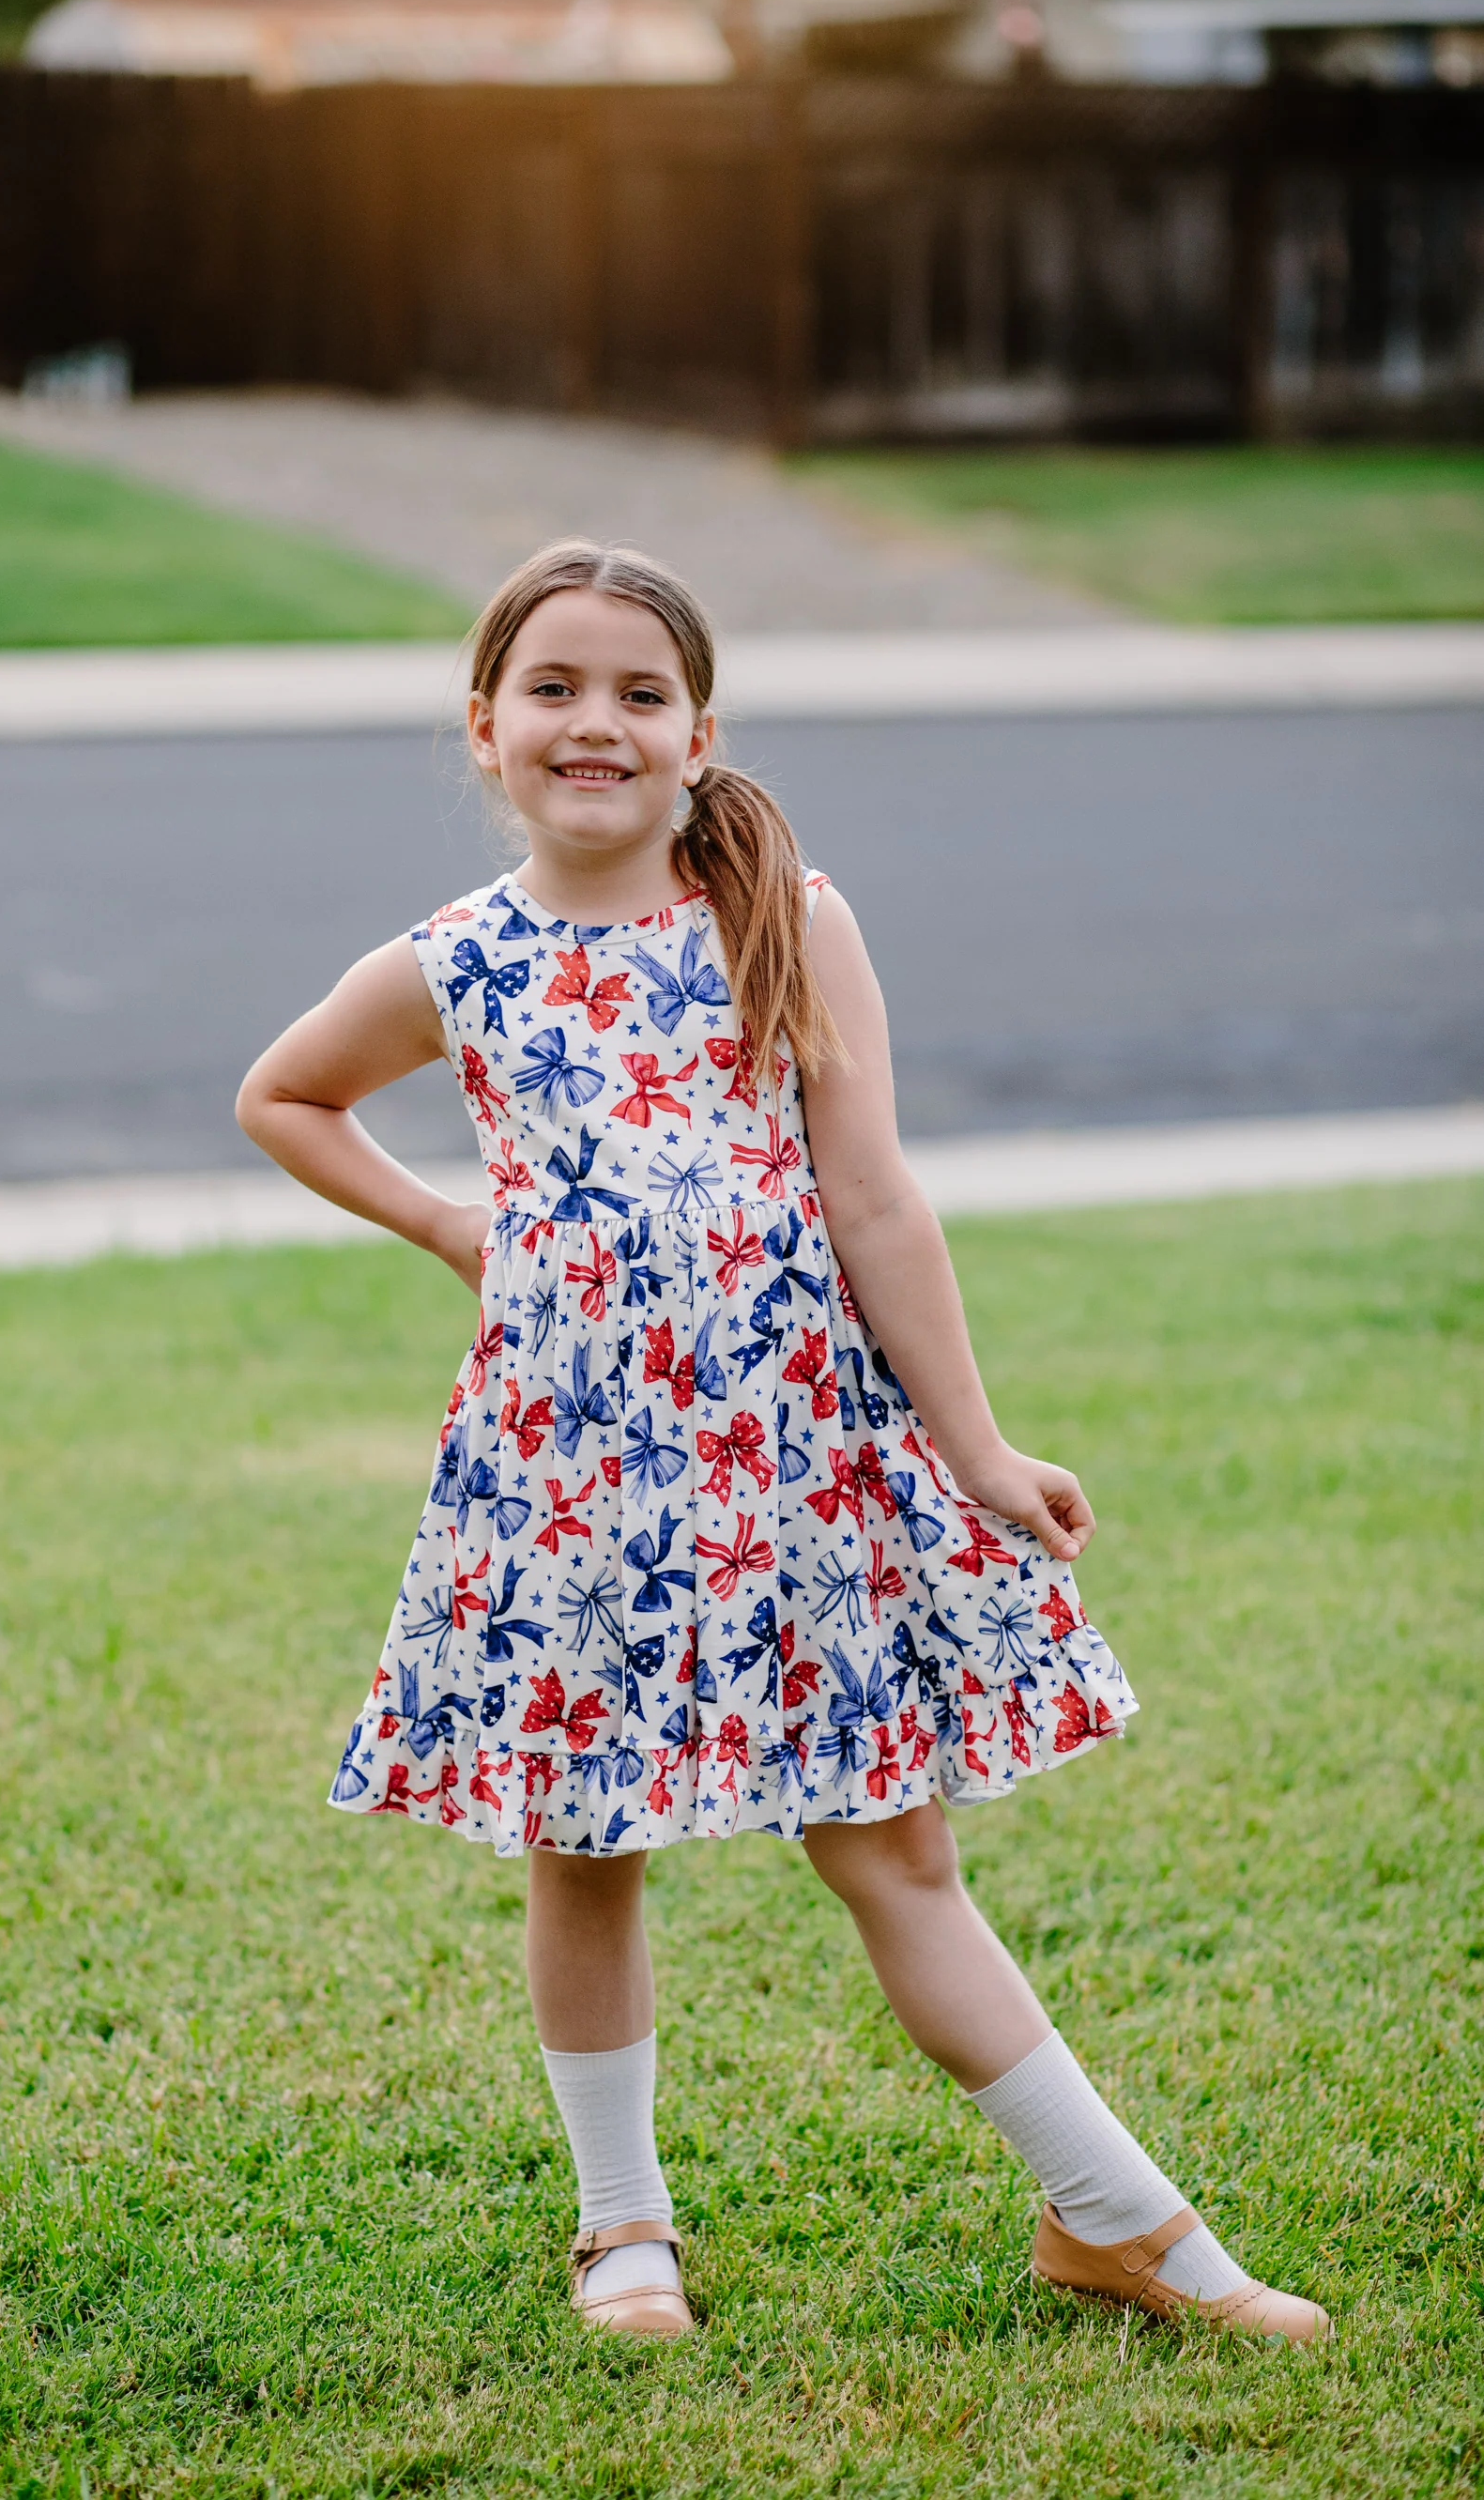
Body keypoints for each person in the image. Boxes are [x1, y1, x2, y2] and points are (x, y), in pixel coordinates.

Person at [237, 540, 1330, 2350]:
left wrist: (973, 1446)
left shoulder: (782, 913)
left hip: (800, 1466)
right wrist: (453, 1227)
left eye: (640, 693)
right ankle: (622, 2229)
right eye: (557, 690)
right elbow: (283, 1092)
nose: (598, 723)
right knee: (585, 1843)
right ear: (486, 730)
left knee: (894, 1852)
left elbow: (877, 1197)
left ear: (699, 729)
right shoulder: (458, 962)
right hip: (571, 1475)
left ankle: (1118, 2217)